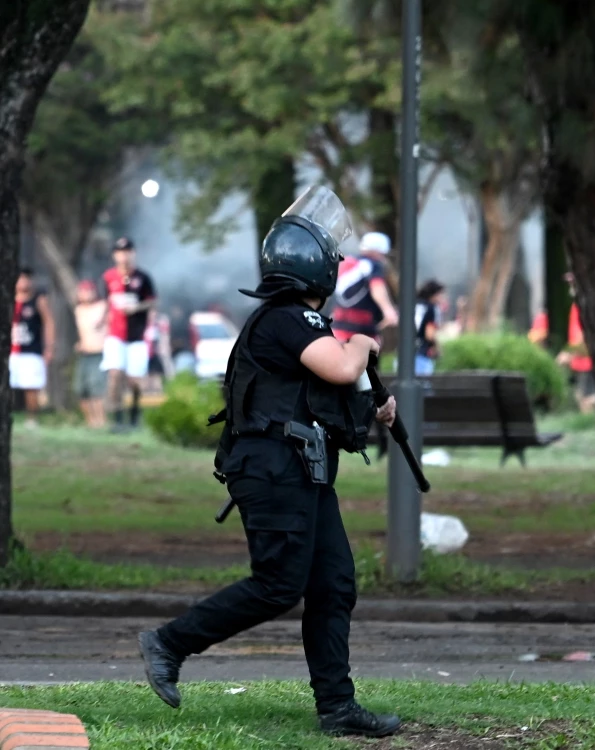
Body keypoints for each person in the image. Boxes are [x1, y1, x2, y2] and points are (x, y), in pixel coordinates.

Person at [137, 186, 402, 738]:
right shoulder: (288, 319)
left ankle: (338, 707)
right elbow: (336, 365)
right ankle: (169, 642)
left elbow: (323, 394)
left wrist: (373, 403)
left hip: (300, 469)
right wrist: (362, 344)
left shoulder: (294, 327)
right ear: (317, 267)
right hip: (273, 468)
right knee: (279, 584)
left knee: (333, 583)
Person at [99, 237, 157, 431]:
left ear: (133, 253)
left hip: (137, 335)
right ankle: (116, 418)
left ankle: (134, 415)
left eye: (128, 251)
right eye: (120, 252)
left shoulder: (143, 278)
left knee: (134, 380)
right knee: (115, 374)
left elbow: (152, 301)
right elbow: (105, 302)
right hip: (115, 335)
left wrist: (137, 307)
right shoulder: (108, 277)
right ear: (115, 255)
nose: (124, 256)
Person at [331, 231, 399, 345]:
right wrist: (389, 311)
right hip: (362, 324)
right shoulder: (372, 264)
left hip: (339, 321)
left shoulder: (348, 262)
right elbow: (377, 288)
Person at [10, 268, 55, 428]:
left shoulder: (38, 300)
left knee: (31, 387)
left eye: (26, 279)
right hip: (11, 351)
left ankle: (32, 419)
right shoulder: (9, 300)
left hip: (31, 350)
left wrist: (48, 348)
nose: (23, 282)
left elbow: (49, 323)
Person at [555, 273, 595, 413]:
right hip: (580, 365)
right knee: (581, 399)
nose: (570, 289)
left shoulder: (589, 305)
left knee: (588, 402)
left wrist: (569, 353)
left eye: (574, 284)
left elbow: (589, 336)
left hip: (589, 365)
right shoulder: (577, 306)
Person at [73, 280, 108, 428]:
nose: (85, 294)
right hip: (84, 353)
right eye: (83, 291)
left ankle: (101, 421)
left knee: (97, 388)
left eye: (88, 291)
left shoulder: (103, 307)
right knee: (81, 388)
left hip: (99, 352)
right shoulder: (79, 310)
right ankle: (90, 422)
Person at [414, 279, 446, 375]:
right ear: (434, 294)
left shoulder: (413, 304)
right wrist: (438, 348)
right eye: (441, 294)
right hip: (422, 354)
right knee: (423, 386)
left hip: (403, 355)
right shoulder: (432, 308)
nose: (442, 298)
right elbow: (430, 334)